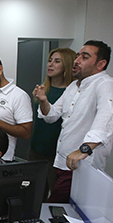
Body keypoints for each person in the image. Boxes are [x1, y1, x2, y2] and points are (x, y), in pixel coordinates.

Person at [34, 40, 113, 203]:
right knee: (63, 212)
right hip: (63, 162)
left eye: (85, 57)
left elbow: (107, 117)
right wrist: (44, 100)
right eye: (78, 55)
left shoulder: (106, 84)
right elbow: (52, 115)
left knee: (54, 207)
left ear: (101, 64)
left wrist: (84, 149)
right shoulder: (74, 86)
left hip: (82, 164)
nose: (77, 60)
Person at [28, 47, 76, 197]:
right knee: (34, 193)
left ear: (67, 65)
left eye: (57, 61)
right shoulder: (42, 89)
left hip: (56, 154)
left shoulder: (72, 92)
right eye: (50, 61)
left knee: (56, 195)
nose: (50, 64)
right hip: (36, 149)